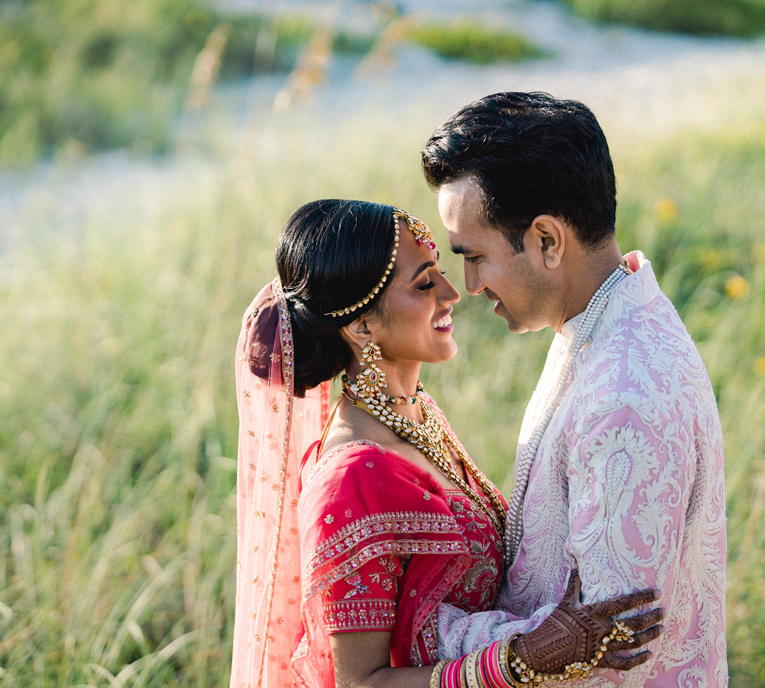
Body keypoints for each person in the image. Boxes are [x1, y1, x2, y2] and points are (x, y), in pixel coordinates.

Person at [231, 200, 665, 688]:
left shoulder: (415, 412)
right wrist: (523, 658)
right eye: (424, 284)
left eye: (439, 270)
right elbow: (361, 682)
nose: (453, 292)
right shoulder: (352, 481)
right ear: (361, 325)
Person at [420, 92, 728, 686]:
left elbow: (608, 652)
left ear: (547, 240)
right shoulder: (608, 317)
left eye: (475, 256)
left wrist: (429, 629)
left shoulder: (624, 398)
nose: (469, 285)